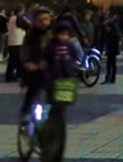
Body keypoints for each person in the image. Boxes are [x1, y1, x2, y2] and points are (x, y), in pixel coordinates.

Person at [41, 20, 82, 162]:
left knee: (58, 117)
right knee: (54, 118)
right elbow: (45, 64)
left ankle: (55, 153)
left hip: (64, 85)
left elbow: (75, 61)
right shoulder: (51, 47)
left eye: (66, 34)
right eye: (62, 34)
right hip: (53, 85)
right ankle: (50, 153)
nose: (64, 36)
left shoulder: (68, 46)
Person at [20, 9, 53, 120]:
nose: (43, 22)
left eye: (46, 19)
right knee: (30, 97)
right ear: (34, 22)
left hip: (52, 74)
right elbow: (25, 52)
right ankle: (25, 121)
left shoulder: (55, 34)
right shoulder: (30, 35)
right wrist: (28, 63)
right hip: (35, 72)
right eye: (40, 20)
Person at [6, 6, 27, 82]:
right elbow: (27, 26)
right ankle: (12, 76)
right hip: (17, 41)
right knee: (16, 60)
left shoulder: (11, 18)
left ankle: (13, 75)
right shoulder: (18, 18)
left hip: (11, 41)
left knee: (13, 60)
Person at [102, 10, 121, 84]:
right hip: (111, 49)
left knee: (111, 63)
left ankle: (110, 78)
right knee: (111, 64)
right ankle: (111, 78)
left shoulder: (113, 33)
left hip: (112, 49)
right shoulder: (112, 32)